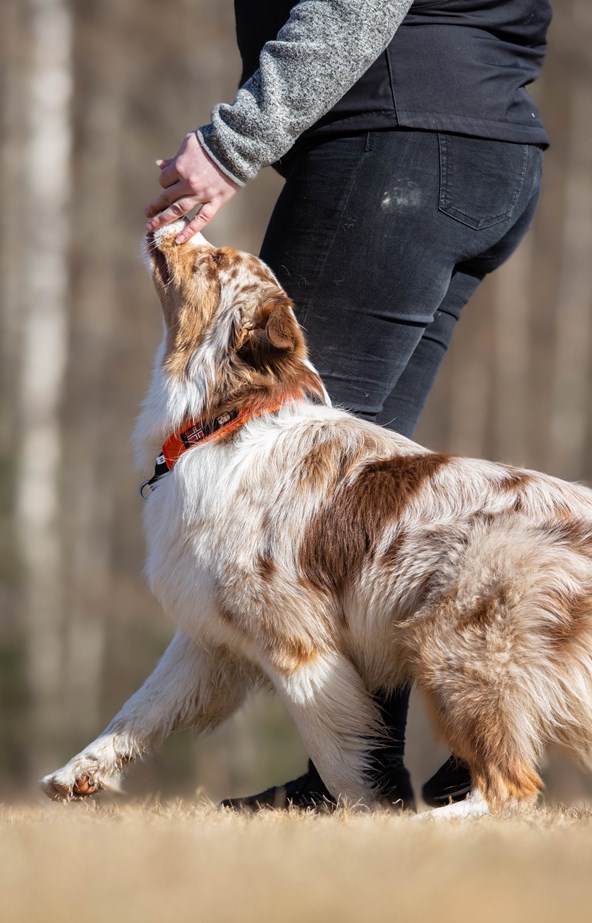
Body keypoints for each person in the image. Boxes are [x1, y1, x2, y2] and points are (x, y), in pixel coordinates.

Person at [145, 0, 552, 811]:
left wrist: (233, 145)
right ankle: (394, 774)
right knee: (358, 498)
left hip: (393, 146)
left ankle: (366, 788)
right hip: (482, 143)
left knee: (291, 491)